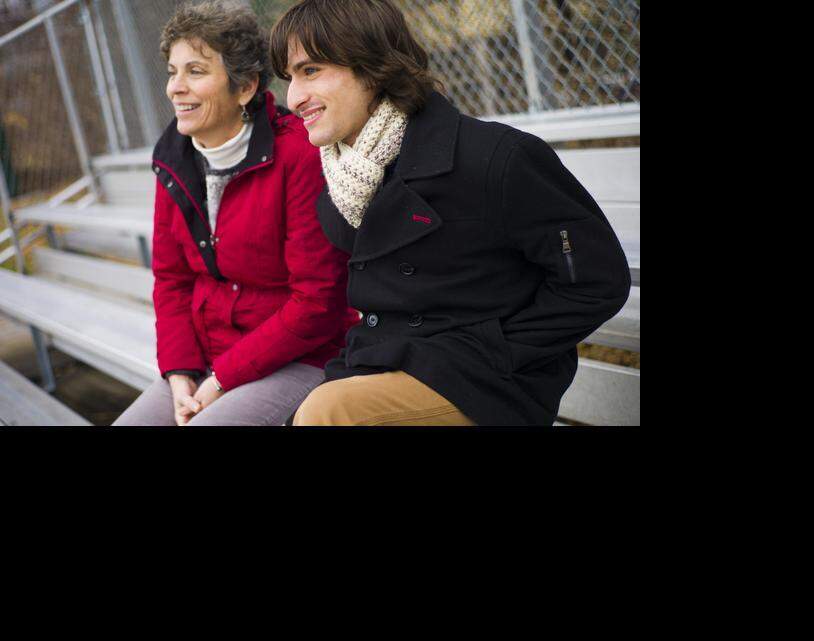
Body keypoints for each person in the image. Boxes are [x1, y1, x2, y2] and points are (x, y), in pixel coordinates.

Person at [269, 0, 631, 426]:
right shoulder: (344, 185)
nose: (293, 97)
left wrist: (500, 352)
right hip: (389, 367)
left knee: (329, 412)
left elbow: (596, 280)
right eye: (289, 77)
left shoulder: (493, 158)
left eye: (311, 70)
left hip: (486, 385)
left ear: (372, 65)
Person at [114, 0, 357, 427]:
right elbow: (172, 280)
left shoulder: (298, 154)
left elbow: (316, 303)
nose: (175, 87)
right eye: (173, 72)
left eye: (196, 71)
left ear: (244, 87)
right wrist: (179, 375)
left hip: (300, 358)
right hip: (208, 358)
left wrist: (221, 380)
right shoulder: (173, 159)